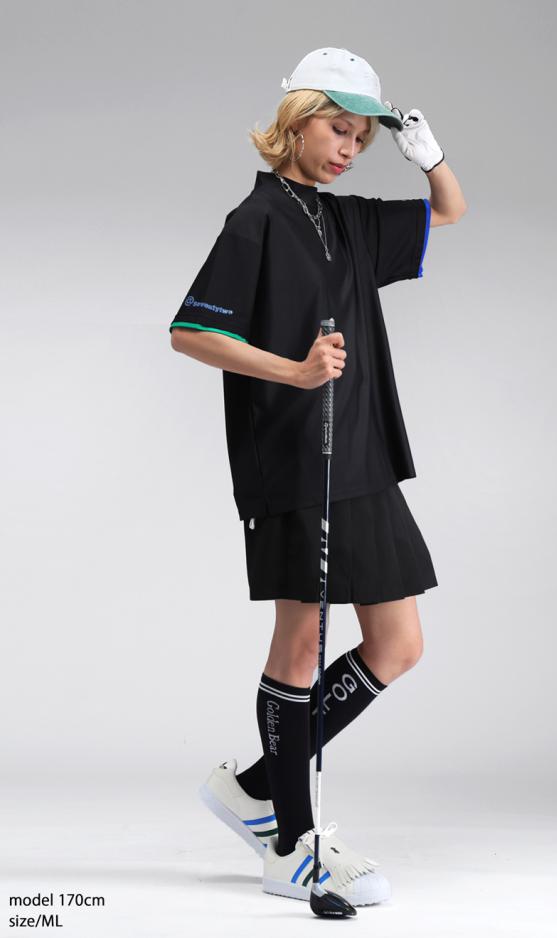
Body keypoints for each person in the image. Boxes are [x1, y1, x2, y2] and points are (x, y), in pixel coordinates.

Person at [169, 47, 467, 906]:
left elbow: (448, 211)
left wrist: (429, 156)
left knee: (397, 645)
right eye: (338, 129)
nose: (349, 149)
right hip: (296, 459)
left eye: (362, 138)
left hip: (366, 457)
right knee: (301, 643)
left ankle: (259, 786)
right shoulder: (256, 220)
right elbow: (191, 332)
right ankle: (291, 846)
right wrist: (296, 373)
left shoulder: (348, 221)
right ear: (297, 122)